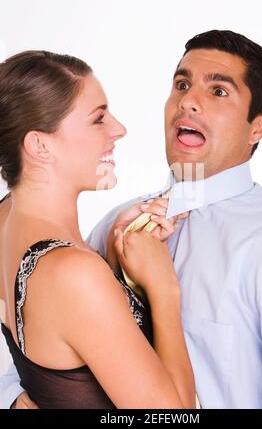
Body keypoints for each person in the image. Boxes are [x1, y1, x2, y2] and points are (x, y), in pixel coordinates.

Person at [3, 28, 262, 409]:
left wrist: (164, 290)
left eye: (218, 91)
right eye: (181, 84)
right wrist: (12, 396)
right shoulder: (113, 226)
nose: (189, 102)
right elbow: (39, 333)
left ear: (257, 127)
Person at [0, 50, 195, 409]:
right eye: (98, 119)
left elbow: (60, 336)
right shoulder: (74, 274)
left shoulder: (6, 217)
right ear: (39, 145)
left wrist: (111, 260)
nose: (118, 129)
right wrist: (163, 287)